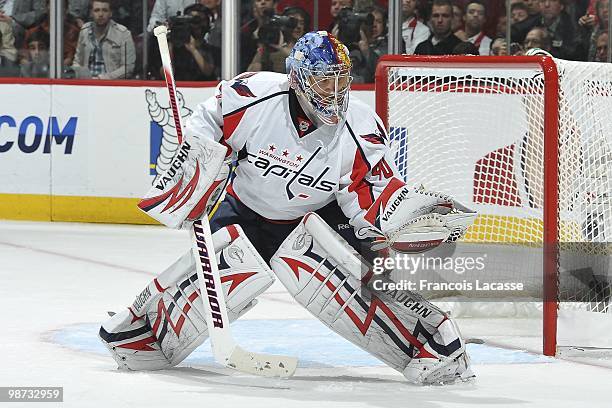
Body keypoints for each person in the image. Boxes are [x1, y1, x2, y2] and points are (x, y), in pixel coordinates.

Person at [99, 31, 476, 385]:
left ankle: (435, 344)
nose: (335, 91)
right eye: (324, 80)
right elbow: (207, 123)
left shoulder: (359, 125)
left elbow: (371, 191)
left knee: (352, 281)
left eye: (340, 79)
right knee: (222, 268)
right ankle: (139, 332)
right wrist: (200, 165)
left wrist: (394, 221)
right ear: (297, 79)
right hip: (246, 210)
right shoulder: (253, 95)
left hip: (322, 216)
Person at [72, 0, 135, 79]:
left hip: (111, 84)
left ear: (110, 13)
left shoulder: (123, 34)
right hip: (86, 84)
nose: (101, 14)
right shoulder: (85, 30)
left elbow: (128, 68)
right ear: (91, 13)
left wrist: (103, 78)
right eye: (97, 10)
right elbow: (77, 62)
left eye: (104, 10)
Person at [169, 3, 219, 80]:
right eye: (191, 20)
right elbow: (165, 74)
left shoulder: (213, 51)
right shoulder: (176, 50)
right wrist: (170, 43)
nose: (195, 25)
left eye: (198, 20)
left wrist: (193, 50)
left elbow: (208, 72)